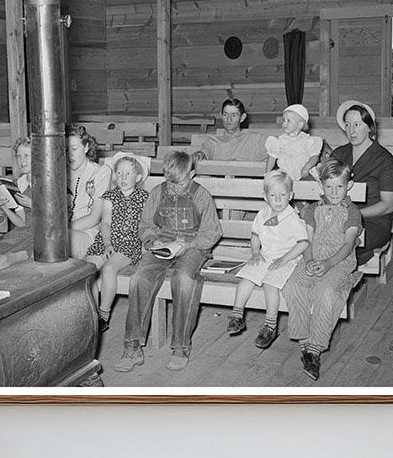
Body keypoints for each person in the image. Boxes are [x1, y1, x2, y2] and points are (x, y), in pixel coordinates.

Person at [114, 150, 220, 373]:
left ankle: (181, 347)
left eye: (179, 183)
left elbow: (212, 232)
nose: (173, 188)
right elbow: (145, 226)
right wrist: (153, 241)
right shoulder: (157, 192)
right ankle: (132, 347)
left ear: (191, 174)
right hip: (162, 245)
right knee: (139, 278)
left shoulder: (201, 195)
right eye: (169, 182)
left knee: (184, 279)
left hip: (193, 245)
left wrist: (186, 245)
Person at [281, 159, 362, 381]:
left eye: (339, 186)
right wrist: (308, 260)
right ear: (321, 187)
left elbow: (347, 245)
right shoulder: (311, 210)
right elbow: (306, 240)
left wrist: (327, 264)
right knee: (293, 285)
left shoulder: (352, 213)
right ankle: (304, 340)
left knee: (326, 291)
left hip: (339, 261)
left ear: (349, 186)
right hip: (313, 257)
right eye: (329, 187)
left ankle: (315, 349)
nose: (334, 192)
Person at [226, 171, 309, 349]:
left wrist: (284, 259)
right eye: (273, 195)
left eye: (283, 195)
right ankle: (237, 315)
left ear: (291, 195)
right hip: (265, 255)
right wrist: (255, 252)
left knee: (270, 285)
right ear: (265, 197)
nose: (278, 200)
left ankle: (270, 326)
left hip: (287, 258)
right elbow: (255, 235)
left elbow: (303, 244)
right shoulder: (262, 214)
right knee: (246, 279)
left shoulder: (292, 217)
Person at [329, 99, 393, 266]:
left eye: (357, 125)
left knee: (338, 240)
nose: (351, 131)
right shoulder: (339, 154)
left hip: (373, 220)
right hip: (337, 217)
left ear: (369, 127)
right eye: (347, 125)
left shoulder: (384, 159)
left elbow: (388, 205)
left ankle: (342, 275)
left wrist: (354, 216)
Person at [86, 154, 149, 332]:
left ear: (137, 178)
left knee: (109, 268)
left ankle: (103, 314)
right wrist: (107, 244)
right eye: (119, 173)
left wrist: (146, 247)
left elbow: (147, 225)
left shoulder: (144, 197)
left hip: (129, 244)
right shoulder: (110, 197)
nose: (122, 177)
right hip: (107, 241)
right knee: (87, 269)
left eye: (128, 174)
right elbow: (105, 223)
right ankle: (90, 314)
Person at [0, 137, 33, 275]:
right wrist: (4, 206)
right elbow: (22, 223)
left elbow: (54, 219)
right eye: (19, 157)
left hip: (41, 235)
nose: (22, 161)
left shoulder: (46, 181)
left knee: (4, 260)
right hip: (23, 232)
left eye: (26, 156)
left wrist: (32, 204)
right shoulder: (20, 183)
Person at [67, 126, 112, 259]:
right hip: (61, 231)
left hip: (87, 233)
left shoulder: (101, 172)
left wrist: (61, 230)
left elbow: (94, 217)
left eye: (74, 149)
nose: (70, 154)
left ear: (86, 147)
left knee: (58, 242)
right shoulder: (60, 173)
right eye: (66, 149)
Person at [194, 97, 267, 162]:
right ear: (221, 115)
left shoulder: (256, 140)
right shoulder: (213, 142)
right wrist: (200, 155)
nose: (229, 119)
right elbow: (205, 152)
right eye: (225, 114)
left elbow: (270, 157)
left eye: (234, 115)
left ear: (242, 118)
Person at [264, 103, 323, 183]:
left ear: (299, 125)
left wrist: (307, 167)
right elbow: (272, 157)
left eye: (288, 121)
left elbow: (314, 156)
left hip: (304, 174)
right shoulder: (279, 141)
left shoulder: (308, 140)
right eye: (283, 120)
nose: (284, 123)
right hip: (285, 175)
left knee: (310, 185)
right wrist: (267, 175)